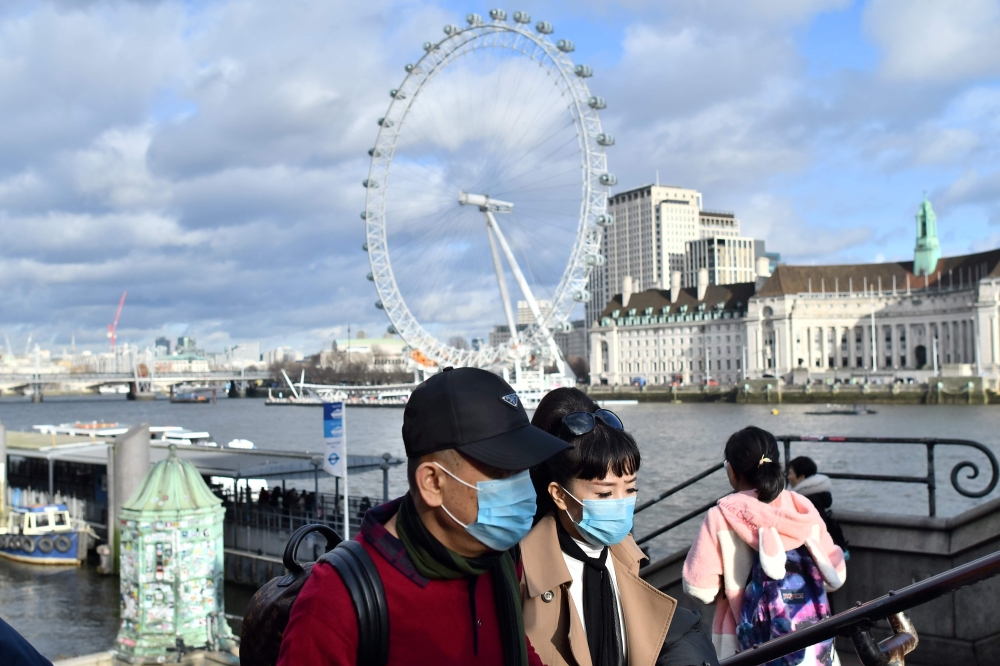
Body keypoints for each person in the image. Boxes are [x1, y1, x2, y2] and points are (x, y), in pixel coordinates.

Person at [277, 367, 571, 665]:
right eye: (502, 472)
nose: (522, 486)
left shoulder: (500, 561)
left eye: (523, 469)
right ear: (432, 482)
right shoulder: (335, 600)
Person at [520, 387, 719, 666]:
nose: (621, 504)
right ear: (559, 494)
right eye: (604, 494)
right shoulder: (521, 569)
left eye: (630, 489)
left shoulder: (624, 554)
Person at [683, 427, 846, 663]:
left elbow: (700, 588)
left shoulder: (721, 515)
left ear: (731, 470)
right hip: (812, 646)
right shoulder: (802, 507)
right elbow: (836, 575)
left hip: (741, 644)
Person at [787, 456, 850, 557]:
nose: (788, 477)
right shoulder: (817, 496)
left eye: (790, 473)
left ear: (801, 476)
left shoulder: (809, 500)